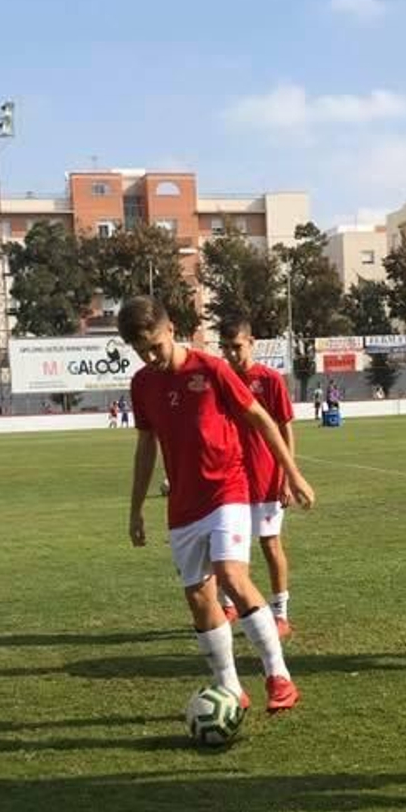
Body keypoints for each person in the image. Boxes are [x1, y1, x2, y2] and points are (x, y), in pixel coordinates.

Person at [122, 297, 314, 715]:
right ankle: (230, 689)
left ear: (171, 330)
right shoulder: (142, 385)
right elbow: (145, 447)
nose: (151, 357)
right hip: (182, 505)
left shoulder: (212, 370)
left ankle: (278, 675)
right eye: (141, 352)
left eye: (155, 345)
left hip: (227, 491)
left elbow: (262, 419)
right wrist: (136, 509)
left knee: (230, 574)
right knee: (198, 598)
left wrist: (293, 473)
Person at [217, 317, 298, 638]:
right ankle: (228, 604)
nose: (231, 354)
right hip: (228, 478)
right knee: (224, 548)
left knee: (269, 544)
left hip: (265, 476)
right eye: (225, 348)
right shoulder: (220, 379)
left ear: (251, 343)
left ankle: (280, 613)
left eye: (236, 347)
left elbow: (285, 428)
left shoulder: (269, 380)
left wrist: (287, 477)